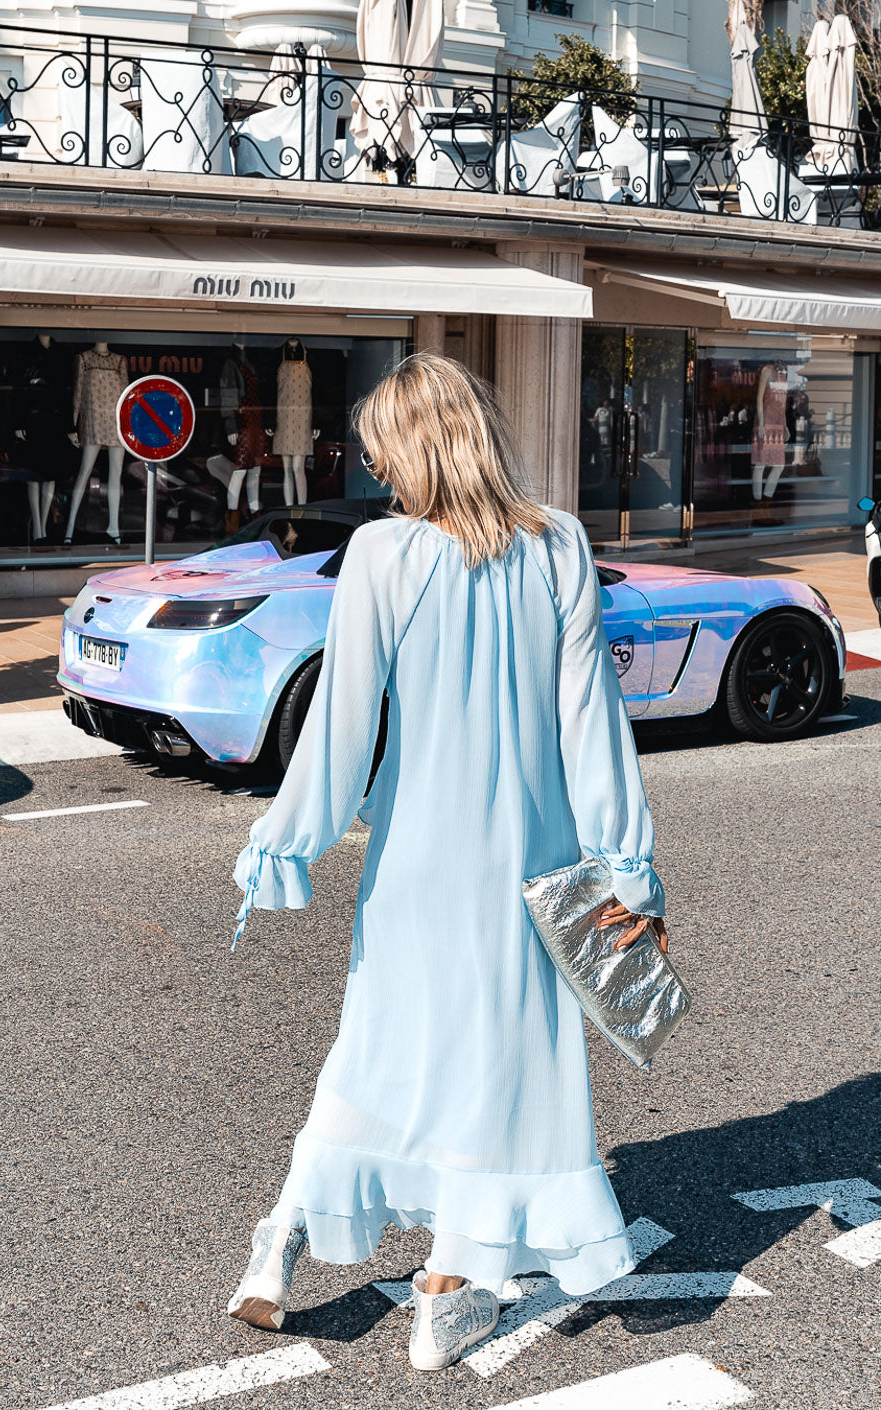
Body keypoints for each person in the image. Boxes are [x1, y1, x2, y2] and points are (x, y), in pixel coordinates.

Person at [227, 353, 669, 1372]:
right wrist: (628, 866)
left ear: (413, 448)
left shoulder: (380, 553)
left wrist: (285, 841)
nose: (377, 470)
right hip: (529, 865)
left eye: (382, 450)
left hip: (413, 862)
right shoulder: (558, 543)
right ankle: (443, 1297)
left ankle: (281, 1242)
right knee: (498, 1076)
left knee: (376, 1053)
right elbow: (590, 723)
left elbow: (341, 727)